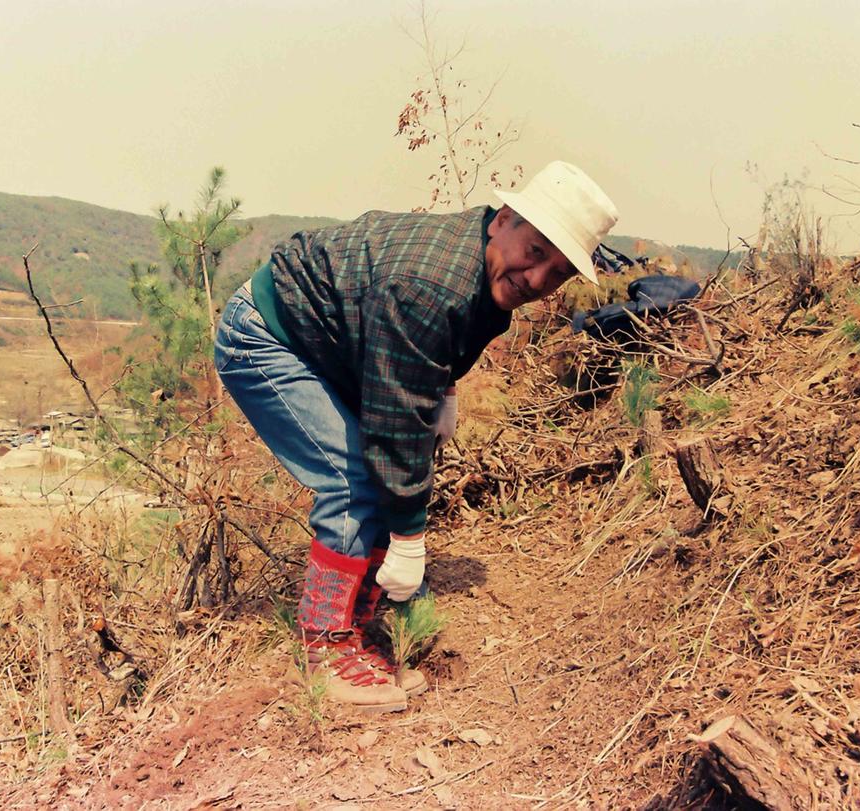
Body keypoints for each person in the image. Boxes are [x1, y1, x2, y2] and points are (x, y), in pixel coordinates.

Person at [215, 161, 618, 712]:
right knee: (354, 477)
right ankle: (326, 646)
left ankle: (356, 624)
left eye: (557, 271)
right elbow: (393, 423)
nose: (537, 278)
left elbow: (443, 345)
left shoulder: (487, 265)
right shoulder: (431, 285)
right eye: (537, 251)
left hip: (337, 344)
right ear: (504, 220)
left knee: (391, 465)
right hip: (267, 336)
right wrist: (408, 541)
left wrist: (443, 389)